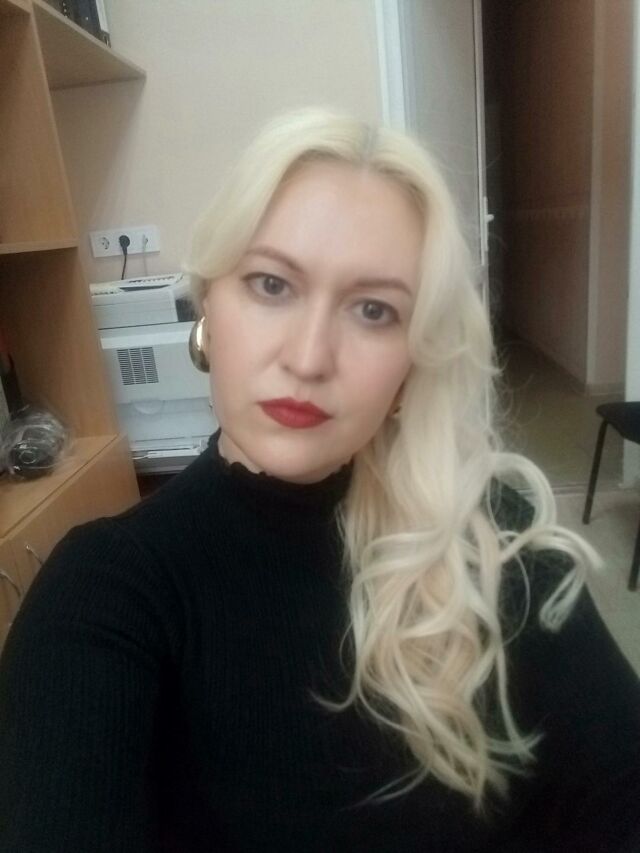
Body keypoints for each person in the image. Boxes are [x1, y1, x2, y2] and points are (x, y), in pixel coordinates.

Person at [0, 106, 638, 853]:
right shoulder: (107, 591)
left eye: (373, 310)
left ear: (414, 359)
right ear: (208, 305)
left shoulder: (493, 529)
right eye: (272, 284)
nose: (308, 357)